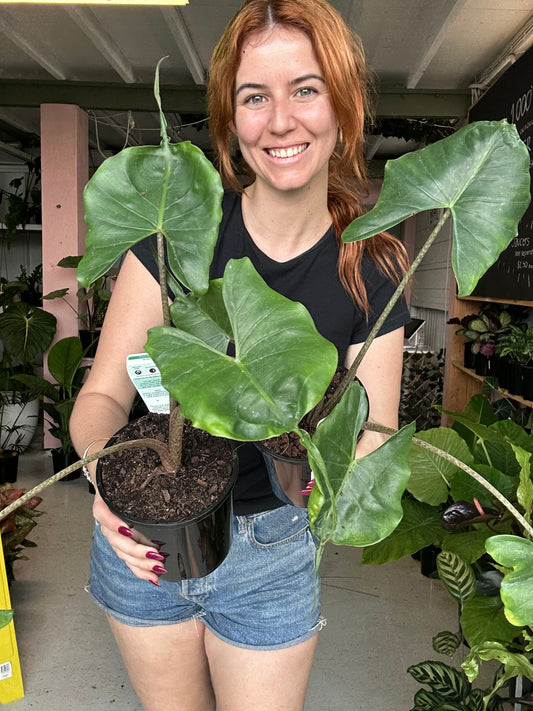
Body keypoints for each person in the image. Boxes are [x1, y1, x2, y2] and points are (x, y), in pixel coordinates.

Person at [70, 1, 410, 709]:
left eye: (306, 89)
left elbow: (372, 436)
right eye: (255, 96)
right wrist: (106, 476)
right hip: (148, 535)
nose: (280, 120)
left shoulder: (372, 265)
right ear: (231, 117)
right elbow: (103, 396)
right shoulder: (179, 232)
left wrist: (332, 475)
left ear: (343, 107)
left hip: (273, 546)